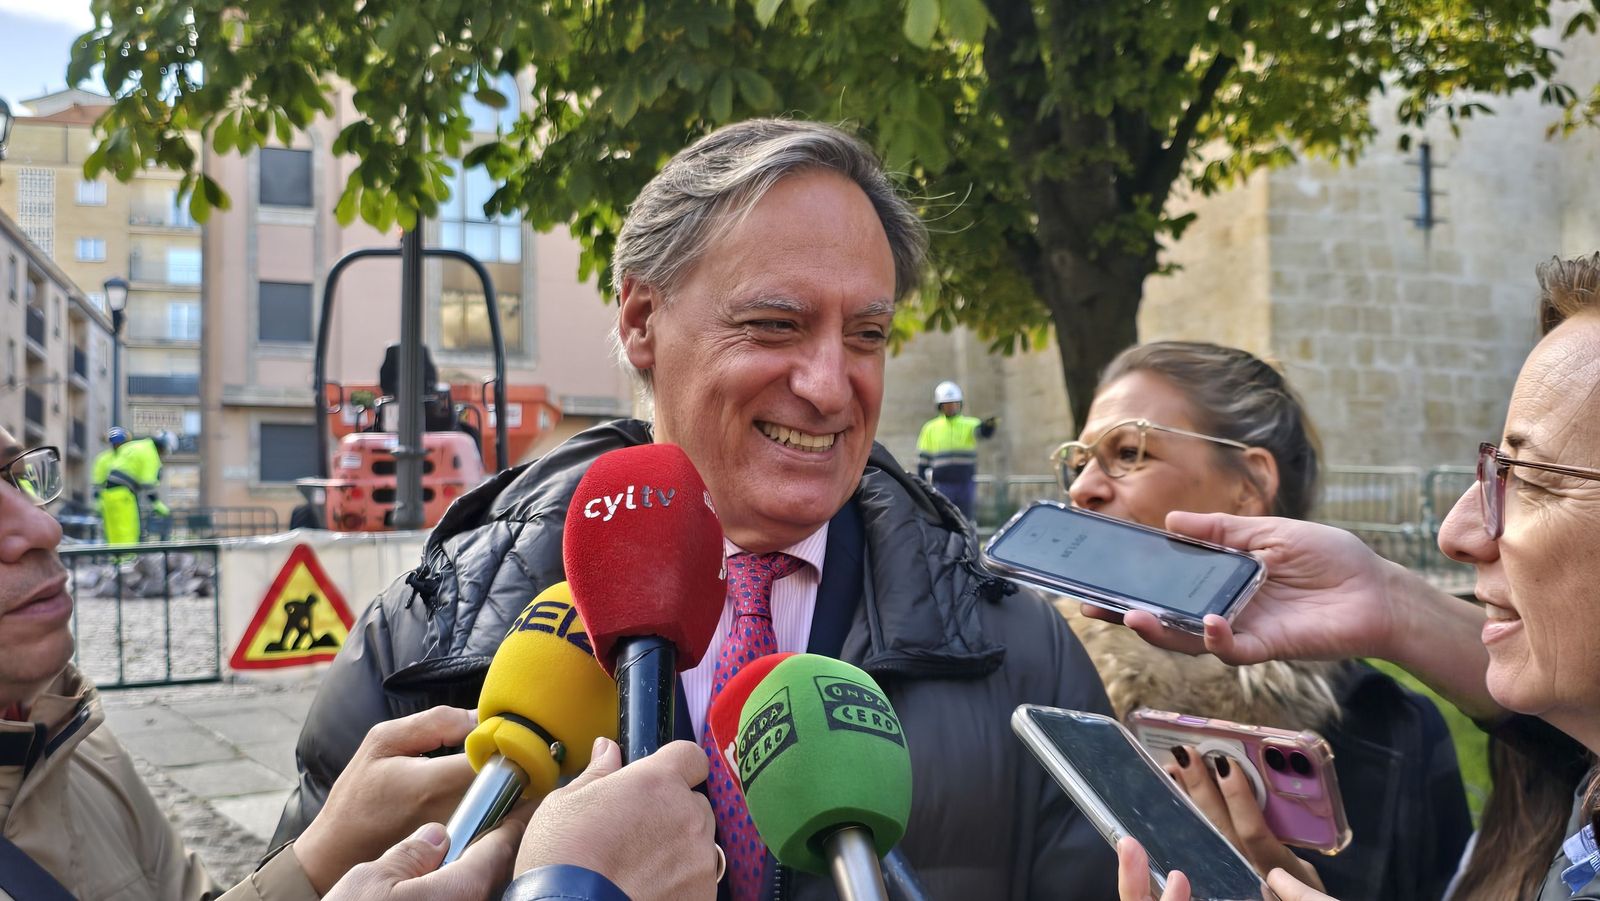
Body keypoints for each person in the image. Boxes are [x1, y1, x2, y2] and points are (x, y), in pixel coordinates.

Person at [273, 118, 1118, 900]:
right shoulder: (429, 638)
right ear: (642, 319)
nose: (831, 386)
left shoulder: (1022, 654)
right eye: (775, 324)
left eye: (866, 335)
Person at [0, 429, 719, 901]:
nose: (42, 526)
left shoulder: (68, 735)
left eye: (15, 478)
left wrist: (318, 854)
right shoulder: (406, 622)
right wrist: (572, 890)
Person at [1104, 253, 1600, 900]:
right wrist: (1389, 603)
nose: (1455, 532)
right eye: (1494, 470)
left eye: (1529, 479)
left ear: (1253, 479)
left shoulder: (1390, 727)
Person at [1057, 341, 1470, 900]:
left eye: (1129, 453)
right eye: (1077, 463)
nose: (1082, 487)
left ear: (1249, 485)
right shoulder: (1050, 691)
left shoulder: (1391, 728)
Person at [915, 379, 996, 520]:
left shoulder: (970, 424)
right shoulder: (930, 428)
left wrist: (987, 428)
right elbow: (923, 459)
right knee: (944, 519)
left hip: (964, 482)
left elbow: (981, 433)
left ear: (960, 404)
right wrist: (921, 484)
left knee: (966, 520)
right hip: (941, 484)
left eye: (954, 404)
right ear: (940, 406)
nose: (951, 407)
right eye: (947, 405)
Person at [94, 426, 138, 545]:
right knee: (122, 530)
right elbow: (98, 482)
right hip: (119, 498)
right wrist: (98, 500)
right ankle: (123, 555)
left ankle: (119, 554)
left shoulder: (104, 459)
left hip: (113, 498)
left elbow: (97, 482)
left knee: (117, 531)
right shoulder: (106, 459)